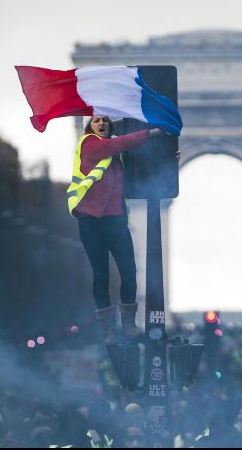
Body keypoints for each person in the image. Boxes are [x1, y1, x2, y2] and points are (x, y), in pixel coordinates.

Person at [68, 115, 175, 344]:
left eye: (105, 120)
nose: (102, 124)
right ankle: (108, 329)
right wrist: (150, 133)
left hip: (115, 220)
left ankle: (128, 324)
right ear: (90, 127)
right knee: (102, 275)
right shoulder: (90, 144)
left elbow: (141, 167)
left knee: (129, 272)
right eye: (96, 121)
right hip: (91, 219)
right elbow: (119, 143)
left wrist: (168, 160)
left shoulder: (116, 156)